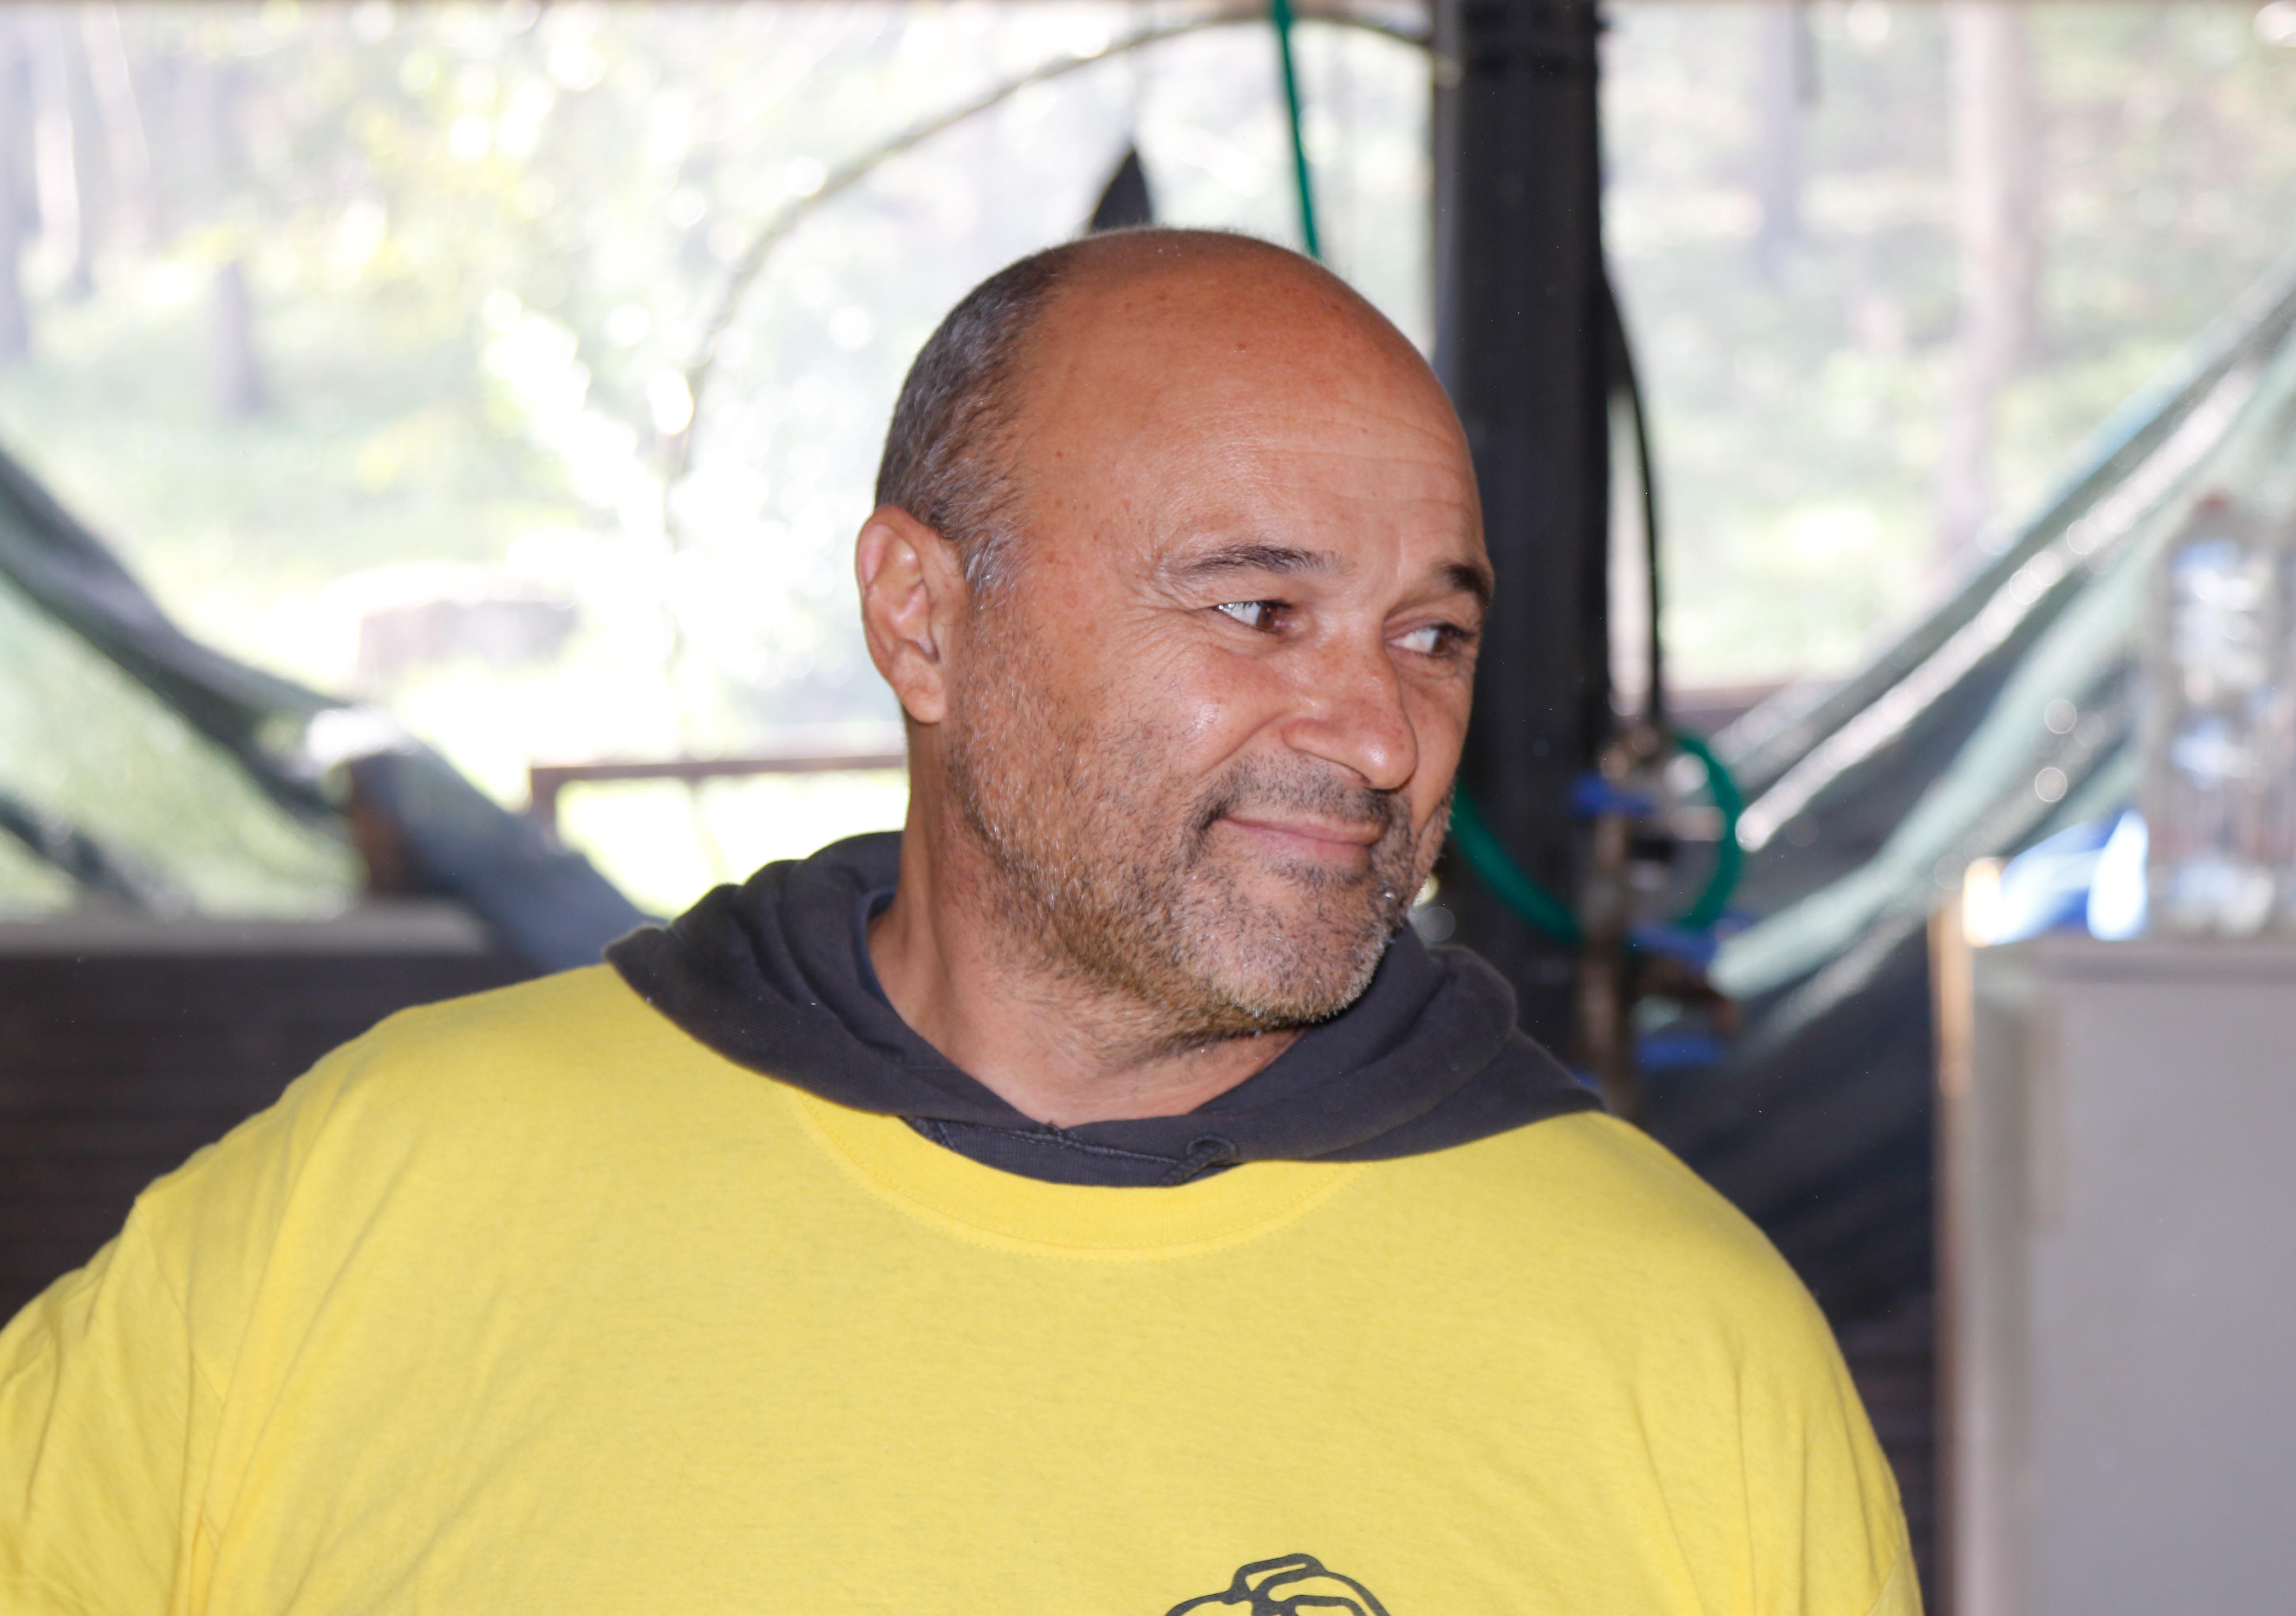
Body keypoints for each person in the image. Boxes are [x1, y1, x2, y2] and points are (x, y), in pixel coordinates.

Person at [0, 229, 1916, 1615]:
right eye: (1258, 610)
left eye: (1430, 634)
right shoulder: (379, 1194)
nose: (1378, 733)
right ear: (921, 619)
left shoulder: (1680, 1341)